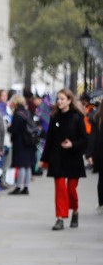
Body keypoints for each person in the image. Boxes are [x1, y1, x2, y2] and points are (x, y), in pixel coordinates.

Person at [40, 89, 88, 231]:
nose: (59, 102)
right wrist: (44, 159)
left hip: (73, 158)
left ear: (69, 100)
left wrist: (72, 144)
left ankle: (75, 211)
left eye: (62, 99)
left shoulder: (77, 117)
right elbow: (49, 140)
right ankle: (60, 218)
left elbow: (84, 140)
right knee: (60, 187)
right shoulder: (55, 117)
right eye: (58, 99)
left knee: (71, 189)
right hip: (58, 158)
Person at [7, 94, 36, 195]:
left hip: (20, 142)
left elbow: (14, 130)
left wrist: (8, 127)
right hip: (29, 142)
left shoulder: (17, 114)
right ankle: (26, 186)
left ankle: (19, 186)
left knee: (21, 165)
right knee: (27, 165)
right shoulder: (27, 112)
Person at [86, 103, 103, 214]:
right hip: (100, 152)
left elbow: (93, 138)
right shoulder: (97, 119)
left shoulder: (96, 118)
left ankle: (101, 202)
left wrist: (89, 154)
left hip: (100, 153)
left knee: (101, 178)